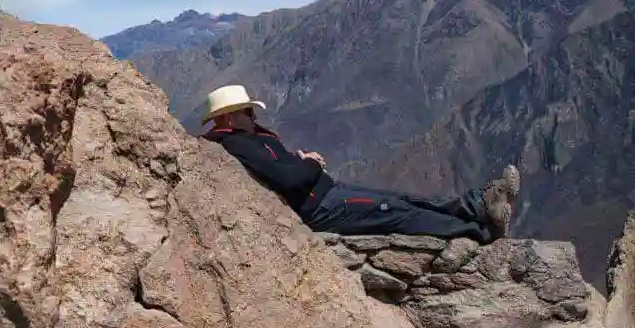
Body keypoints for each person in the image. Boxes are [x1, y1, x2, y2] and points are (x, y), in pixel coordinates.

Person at [198, 85, 518, 244]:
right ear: (228, 118)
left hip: (326, 193)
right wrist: (311, 163)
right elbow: (288, 182)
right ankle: (481, 231)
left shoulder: (247, 138)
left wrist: (299, 162)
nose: (254, 117)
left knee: (398, 200)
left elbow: (279, 167)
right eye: (248, 112)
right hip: (319, 206)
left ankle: (478, 203)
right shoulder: (236, 143)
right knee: (397, 214)